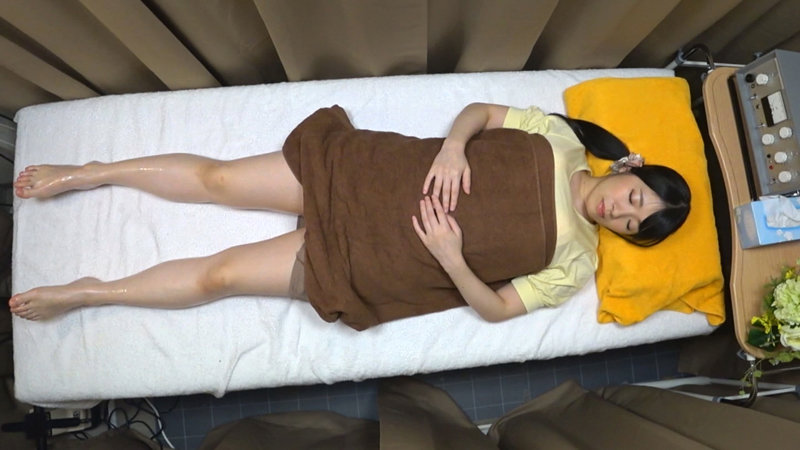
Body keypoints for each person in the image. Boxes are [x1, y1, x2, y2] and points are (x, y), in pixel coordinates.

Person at [8, 103, 690, 326]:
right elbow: (480, 114)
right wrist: (455, 147)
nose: (619, 213)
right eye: (634, 198)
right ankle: (88, 173)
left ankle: (88, 293)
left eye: (632, 225)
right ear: (627, 170)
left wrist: (453, 259)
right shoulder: (559, 138)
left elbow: (495, 309)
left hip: (382, 259)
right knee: (220, 180)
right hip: (368, 177)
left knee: (221, 277)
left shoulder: (577, 264)